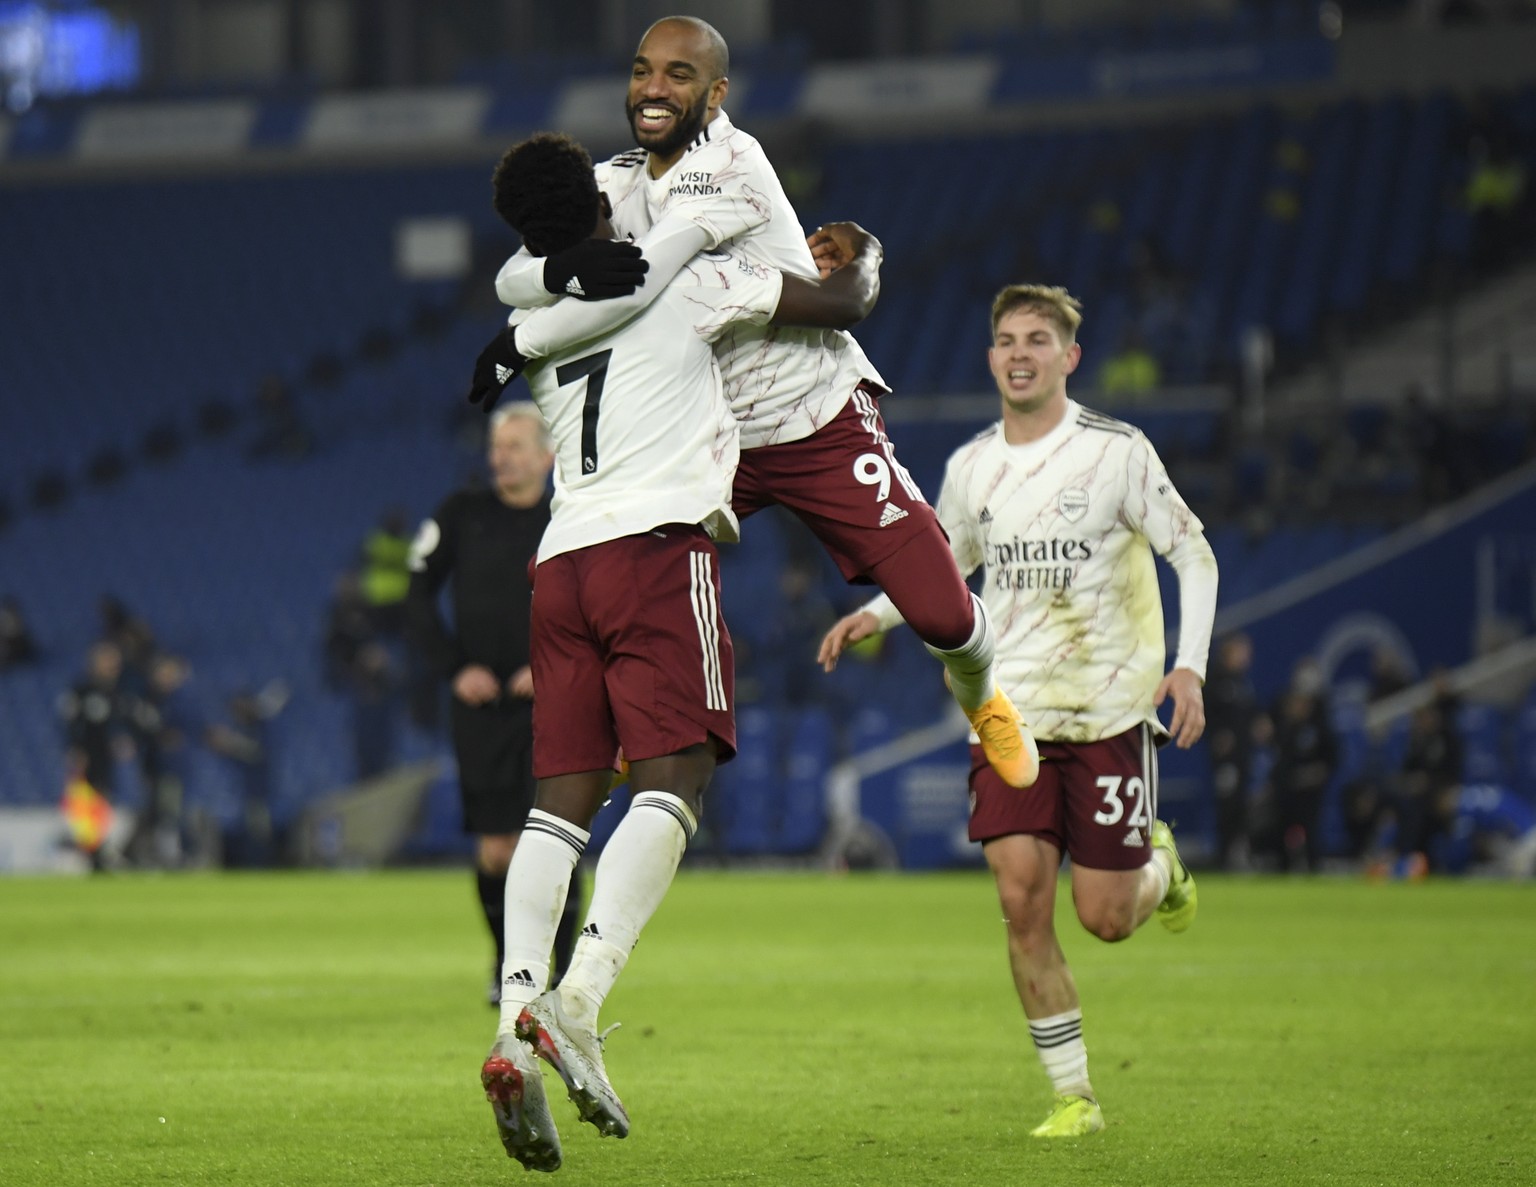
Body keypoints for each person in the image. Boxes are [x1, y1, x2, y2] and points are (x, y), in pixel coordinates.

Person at [467, 131, 890, 1172]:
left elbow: (523, 285)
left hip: (558, 561)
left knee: (556, 804)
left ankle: (512, 1011)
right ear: (602, 200)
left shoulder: (536, 313)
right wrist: (866, 257)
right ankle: (580, 999)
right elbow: (836, 307)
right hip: (655, 551)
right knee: (677, 775)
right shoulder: (687, 279)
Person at [489, 14, 1037, 795]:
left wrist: (524, 331)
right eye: (644, 69)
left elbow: (641, 274)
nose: (653, 87)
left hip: (812, 418)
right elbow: (513, 272)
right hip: (703, 434)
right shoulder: (614, 176)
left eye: (679, 76)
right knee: (620, 569)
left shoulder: (733, 164)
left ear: (716, 95)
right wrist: (550, 276)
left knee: (943, 615)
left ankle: (980, 694)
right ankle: (622, 723)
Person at [818, 284, 1218, 1138]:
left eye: (1038, 338)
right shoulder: (972, 469)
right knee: (1021, 896)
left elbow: (1196, 553)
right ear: (992, 356)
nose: (1020, 352)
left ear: (1070, 356)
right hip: (1010, 715)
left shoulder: (1118, 453)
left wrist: (1189, 668)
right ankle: (1075, 1095)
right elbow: (946, 560)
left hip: (1109, 713)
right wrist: (875, 613)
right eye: (1006, 339)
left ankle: (1159, 866)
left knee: (1105, 917)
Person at [405, 402, 585, 1008]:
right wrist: (457, 668)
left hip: (555, 704)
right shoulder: (461, 514)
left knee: (557, 835)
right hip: (482, 711)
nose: (499, 456)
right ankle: (508, 964)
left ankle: (560, 974)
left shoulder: (571, 514)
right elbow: (415, 596)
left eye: (513, 446)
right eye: (496, 445)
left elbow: (596, 601)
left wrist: (555, 666)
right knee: (496, 846)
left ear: (547, 454)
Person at [1204, 632, 1260, 870]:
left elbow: (1249, 714)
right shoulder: (1216, 680)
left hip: (1243, 756)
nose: (1246, 656)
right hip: (1226, 759)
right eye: (1241, 650)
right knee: (1227, 805)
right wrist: (1216, 736)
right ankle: (1224, 856)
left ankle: (1237, 853)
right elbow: (1207, 714)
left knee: (1239, 805)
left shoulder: (1242, 682)